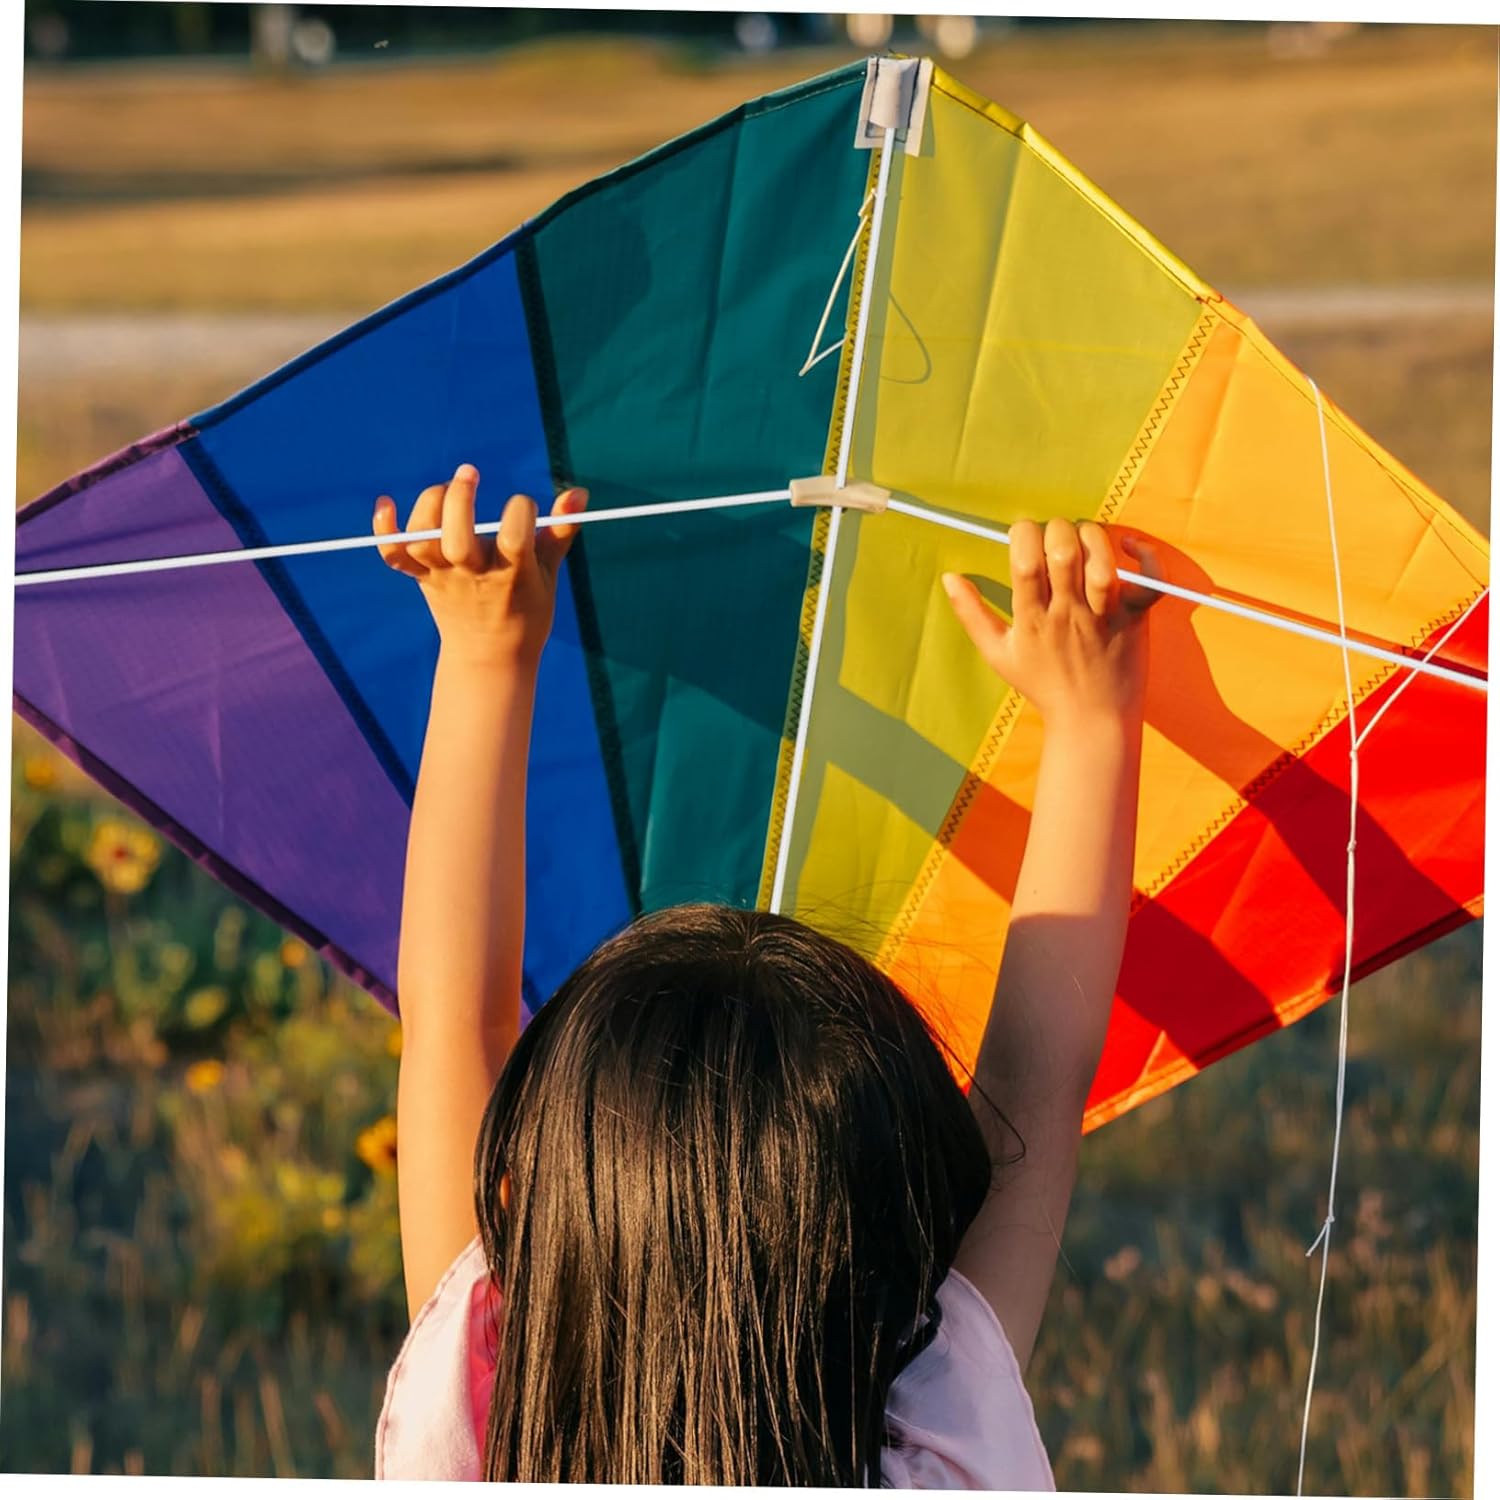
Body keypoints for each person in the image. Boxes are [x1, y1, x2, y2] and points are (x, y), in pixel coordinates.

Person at [369, 463, 1157, 1485]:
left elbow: (458, 1025)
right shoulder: (936, 1438)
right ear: (899, 1238)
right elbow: (1030, 1084)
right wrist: (1095, 717)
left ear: (540, 1200)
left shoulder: (479, 1422)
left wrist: (484, 653)